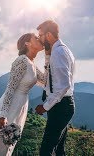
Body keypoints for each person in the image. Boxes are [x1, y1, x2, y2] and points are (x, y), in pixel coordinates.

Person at [35, 20, 76, 156]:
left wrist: (45, 106)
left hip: (61, 107)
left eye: (40, 35)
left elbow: (64, 86)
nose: (39, 38)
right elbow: (50, 78)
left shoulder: (59, 52)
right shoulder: (60, 50)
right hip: (63, 105)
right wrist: (47, 55)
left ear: (48, 35)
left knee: (46, 150)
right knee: (58, 150)